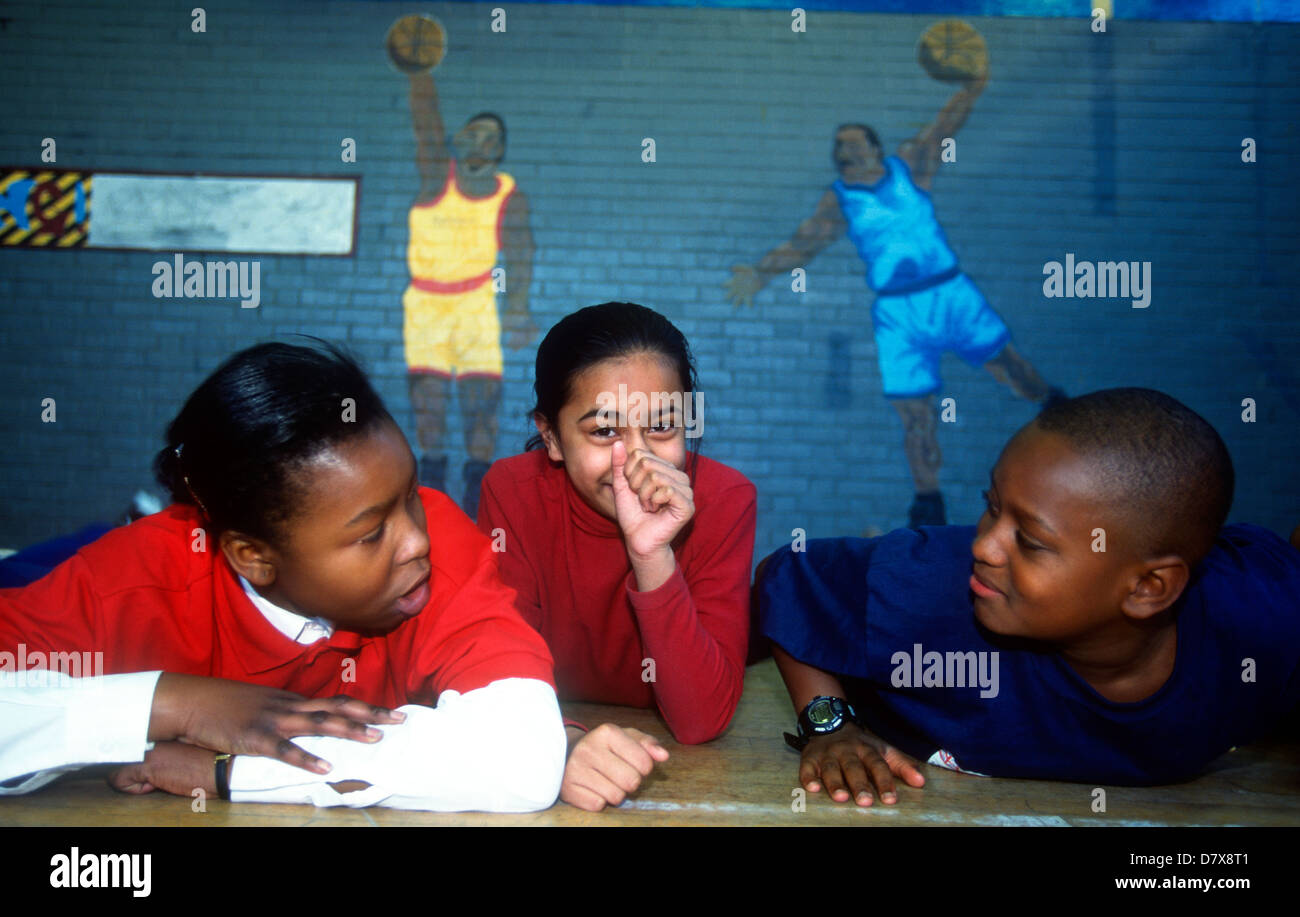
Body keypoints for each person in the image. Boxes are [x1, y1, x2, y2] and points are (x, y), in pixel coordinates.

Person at [0, 341, 564, 812]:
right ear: (252, 557)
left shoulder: (440, 544)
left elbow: (524, 757)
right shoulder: (131, 580)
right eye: (370, 534)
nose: (416, 540)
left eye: (409, 494)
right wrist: (175, 703)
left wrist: (227, 772)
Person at [758, 388, 1300, 805]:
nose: (985, 545)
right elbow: (788, 576)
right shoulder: (925, 585)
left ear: (1147, 589)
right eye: (992, 506)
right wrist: (830, 724)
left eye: (1031, 541)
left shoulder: (1259, 622)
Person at [726, 62, 1061, 527]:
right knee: (914, 413)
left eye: (852, 142)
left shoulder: (911, 166)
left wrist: (974, 85)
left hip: (949, 293)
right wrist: (761, 273)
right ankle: (929, 502)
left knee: (1011, 368)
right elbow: (804, 244)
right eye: (837, 145)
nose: (842, 150)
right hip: (897, 313)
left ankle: (1054, 405)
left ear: (875, 148)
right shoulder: (840, 199)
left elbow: (947, 122)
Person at [477, 303, 757, 811]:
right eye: (604, 432)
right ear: (550, 437)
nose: (637, 461)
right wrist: (561, 741)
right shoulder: (513, 492)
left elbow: (700, 721)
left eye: (663, 428)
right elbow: (499, 675)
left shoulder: (724, 499)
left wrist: (651, 554)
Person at [403, 67, 538, 518]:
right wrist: (419, 74)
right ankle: (433, 497)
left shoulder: (508, 195)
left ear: (499, 150)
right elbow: (426, 124)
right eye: (472, 133)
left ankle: (476, 501)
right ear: (458, 141)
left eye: (490, 137)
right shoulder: (433, 177)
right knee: (429, 406)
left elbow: (520, 256)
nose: (480, 141)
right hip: (425, 305)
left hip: (477, 302)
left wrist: (517, 311)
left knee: (481, 406)